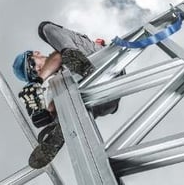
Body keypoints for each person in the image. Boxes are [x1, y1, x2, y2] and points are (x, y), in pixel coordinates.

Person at [12, 21, 121, 168]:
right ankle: (59, 129)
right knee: (57, 90)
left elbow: (58, 57)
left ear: (36, 54)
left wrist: (37, 81)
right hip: (103, 99)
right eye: (32, 73)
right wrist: (43, 113)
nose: (36, 69)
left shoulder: (57, 56)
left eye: (32, 64)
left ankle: (84, 68)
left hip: (100, 60)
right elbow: (51, 96)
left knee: (44, 28)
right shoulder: (51, 82)